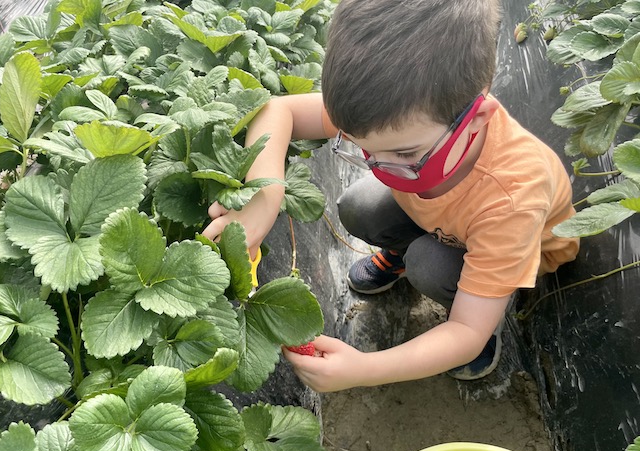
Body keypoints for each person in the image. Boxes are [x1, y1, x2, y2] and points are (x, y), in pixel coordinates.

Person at [201, 0, 579, 392]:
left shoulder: (513, 197)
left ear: (476, 119)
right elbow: (280, 111)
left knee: (429, 265)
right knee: (359, 207)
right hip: (438, 215)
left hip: (510, 249)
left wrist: (365, 369)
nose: (379, 166)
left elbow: (464, 329)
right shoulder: (402, 113)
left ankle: (489, 332)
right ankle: (398, 256)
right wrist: (265, 198)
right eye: (362, 147)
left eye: (403, 154)